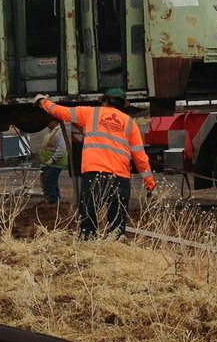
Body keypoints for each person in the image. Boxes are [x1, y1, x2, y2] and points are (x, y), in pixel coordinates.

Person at [35, 89, 155, 239]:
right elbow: (140, 157)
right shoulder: (130, 123)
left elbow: (60, 111)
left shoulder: (91, 113)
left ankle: (88, 245)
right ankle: (115, 250)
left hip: (94, 173)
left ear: (104, 101)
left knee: (88, 217)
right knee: (117, 223)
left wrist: (42, 101)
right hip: (120, 177)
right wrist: (149, 183)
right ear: (123, 105)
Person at [37, 119, 68, 204]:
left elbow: (62, 149)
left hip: (54, 164)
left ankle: (53, 204)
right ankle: (54, 204)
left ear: (54, 121)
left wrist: (52, 160)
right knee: (49, 185)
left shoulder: (59, 132)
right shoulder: (52, 132)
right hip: (47, 164)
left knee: (49, 185)